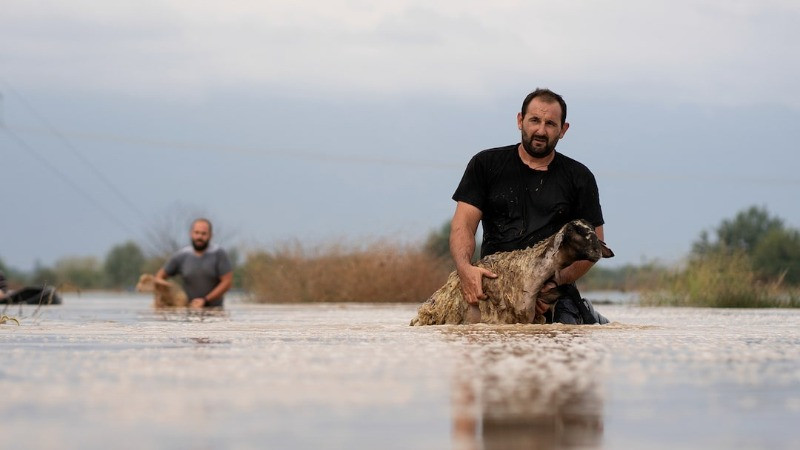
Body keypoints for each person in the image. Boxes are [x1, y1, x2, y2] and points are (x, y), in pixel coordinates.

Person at [450, 88, 608, 324]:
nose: (541, 131)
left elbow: (593, 245)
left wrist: (554, 283)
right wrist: (465, 269)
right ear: (520, 120)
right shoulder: (485, 165)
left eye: (551, 124)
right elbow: (463, 225)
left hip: (553, 293)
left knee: (572, 339)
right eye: (534, 120)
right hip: (495, 286)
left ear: (563, 130)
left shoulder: (580, 177)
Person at [156, 218, 233, 308]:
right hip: (188, 309)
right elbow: (159, 277)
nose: (199, 237)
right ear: (191, 234)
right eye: (196, 233)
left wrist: (205, 300)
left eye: (203, 234)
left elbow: (227, 282)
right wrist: (166, 292)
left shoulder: (218, 254)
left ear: (210, 235)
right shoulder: (181, 255)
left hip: (214, 310)